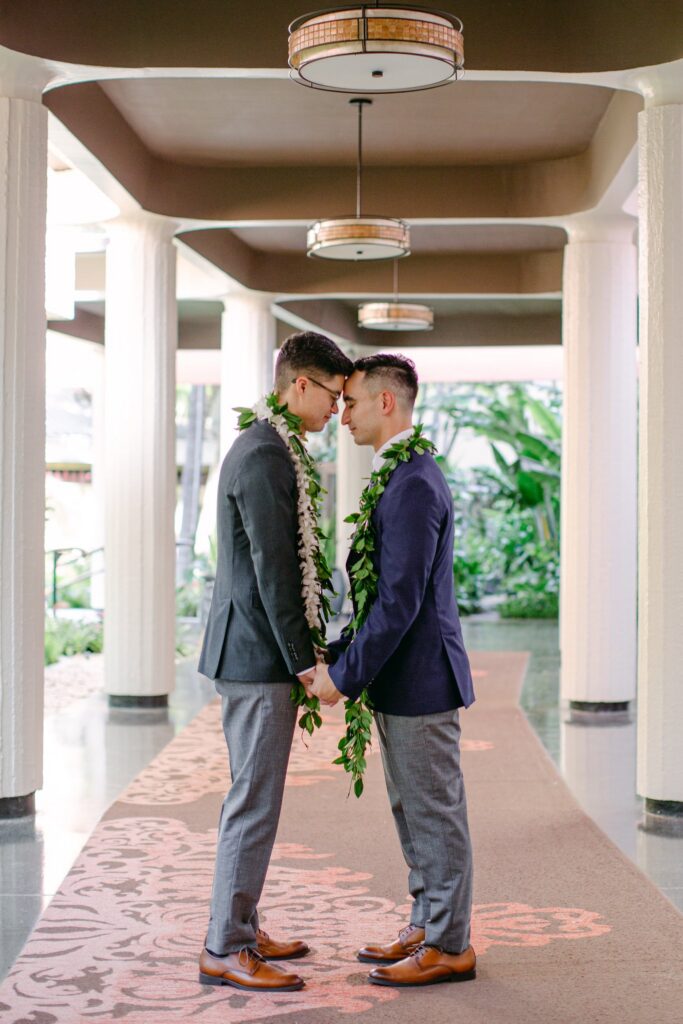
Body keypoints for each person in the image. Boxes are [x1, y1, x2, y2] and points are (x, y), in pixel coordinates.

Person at [309, 354, 477, 988]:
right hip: (403, 678)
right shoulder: (399, 474)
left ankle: (450, 943)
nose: (342, 412)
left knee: (434, 812)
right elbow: (377, 593)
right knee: (412, 807)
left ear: (386, 403)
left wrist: (344, 675)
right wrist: (341, 654)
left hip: (422, 677)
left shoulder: (412, 482)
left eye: (350, 401)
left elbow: (400, 599)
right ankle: (427, 921)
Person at [197, 331, 352, 993]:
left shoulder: (269, 447)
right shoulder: (264, 454)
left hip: (254, 650)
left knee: (252, 797)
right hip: (258, 655)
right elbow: (273, 571)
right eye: (332, 396)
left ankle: (243, 924)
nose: (335, 412)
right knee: (253, 803)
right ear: (299, 386)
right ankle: (225, 947)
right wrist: (304, 664)